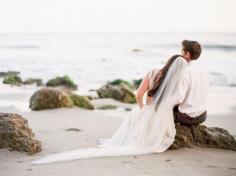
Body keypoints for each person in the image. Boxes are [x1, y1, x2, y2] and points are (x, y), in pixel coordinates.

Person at [32, 40, 199, 165]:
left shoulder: (152, 72)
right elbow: (179, 99)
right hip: (161, 119)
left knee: (132, 122)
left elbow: (138, 95)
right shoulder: (181, 78)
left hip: (145, 112)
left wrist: (143, 110)